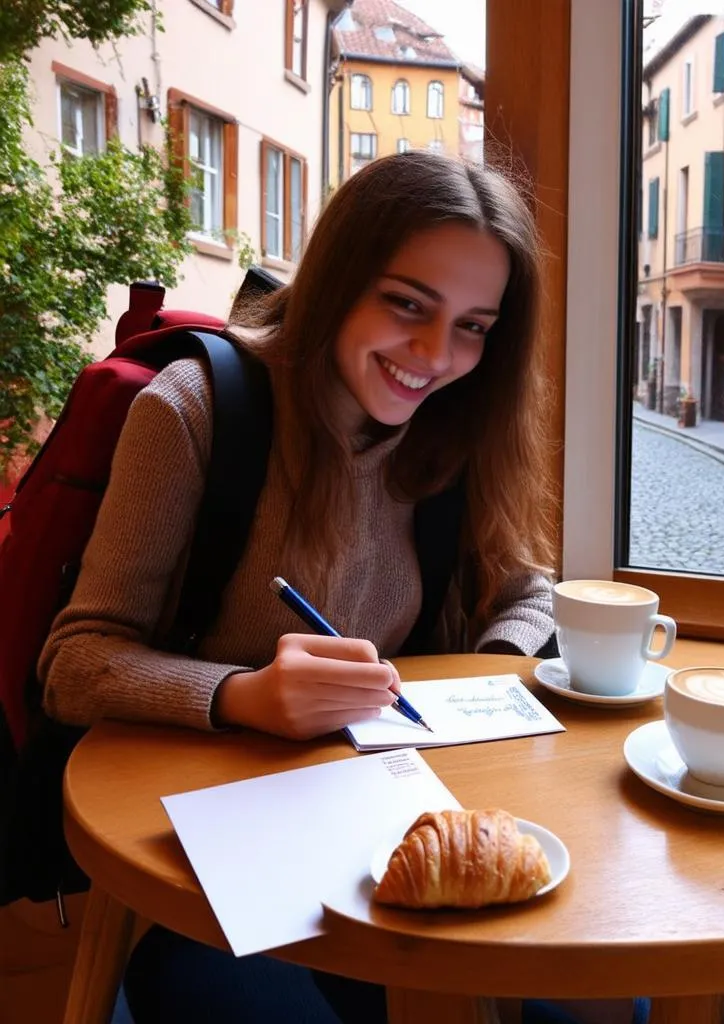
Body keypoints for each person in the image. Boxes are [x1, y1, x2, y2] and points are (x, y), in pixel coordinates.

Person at [39, 150, 618, 1023]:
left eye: (473, 325)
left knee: (617, 1003)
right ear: (339, 277)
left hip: (388, 813)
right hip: (210, 838)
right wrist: (243, 696)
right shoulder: (194, 411)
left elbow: (530, 591)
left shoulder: (456, 434)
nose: (435, 355)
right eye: (407, 304)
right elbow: (75, 664)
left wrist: (487, 673)